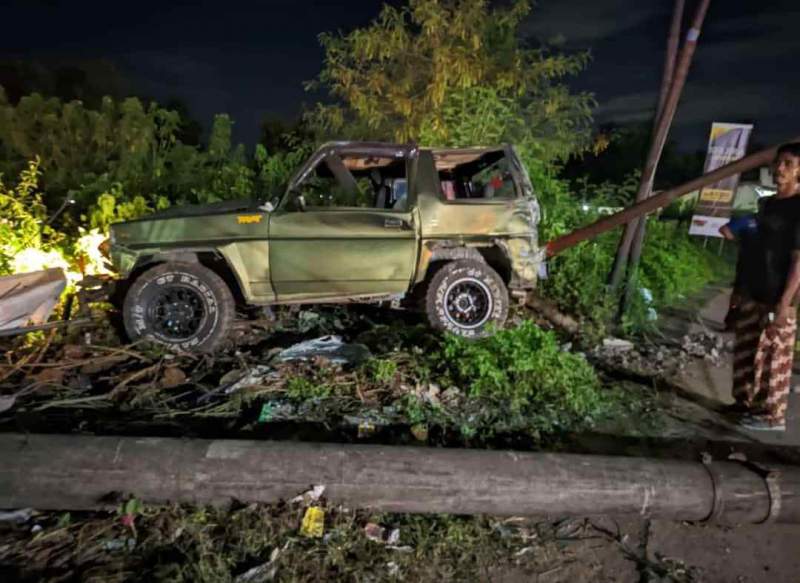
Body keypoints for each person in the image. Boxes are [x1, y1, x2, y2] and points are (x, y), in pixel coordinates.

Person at [723, 143, 800, 431]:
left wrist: (785, 303)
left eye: (788, 164)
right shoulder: (766, 204)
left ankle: (772, 415)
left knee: (773, 359)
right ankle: (742, 403)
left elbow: (798, 260)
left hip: (778, 295)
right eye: (778, 163)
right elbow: (751, 248)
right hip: (753, 290)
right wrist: (739, 288)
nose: (779, 169)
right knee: (745, 352)